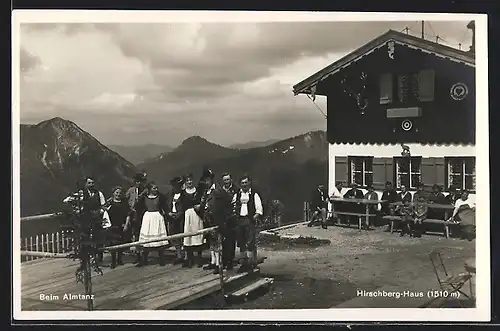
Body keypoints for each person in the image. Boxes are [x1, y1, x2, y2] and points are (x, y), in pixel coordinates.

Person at [232, 174, 264, 273]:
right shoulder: (237, 194)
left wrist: (253, 218)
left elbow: (259, 209)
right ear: (240, 184)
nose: (244, 185)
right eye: (242, 183)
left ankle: (251, 264)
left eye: (246, 182)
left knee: (250, 242)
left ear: (249, 183)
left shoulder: (254, 194)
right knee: (241, 242)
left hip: (249, 220)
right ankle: (243, 264)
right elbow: (233, 206)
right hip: (239, 220)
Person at [134, 181, 169, 267]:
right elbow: (137, 206)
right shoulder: (144, 198)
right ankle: (144, 259)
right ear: (149, 189)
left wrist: (168, 213)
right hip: (148, 218)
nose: (156, 189)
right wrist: (140, 196)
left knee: (158, 237)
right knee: (147, 239)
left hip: (157, 217)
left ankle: (161, 258)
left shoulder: (160, 197)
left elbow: (165, 207)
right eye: (154, 188)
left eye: (157, 188)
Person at [179, 173, 204, 268]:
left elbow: (202, 201)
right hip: (187, 215)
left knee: (198, 234)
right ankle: (190, 258)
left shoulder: (198, 191)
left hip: (196, 215)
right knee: (188, 236)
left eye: (191, 180)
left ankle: (199, 258)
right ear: (185, 182)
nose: (189, 182)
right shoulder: (183, 193)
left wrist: (200, 207)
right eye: (187, 181)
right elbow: (181, 204)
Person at [105, 186, 131, 269]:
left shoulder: (124, 202)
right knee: (113, 244)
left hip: (121, 225)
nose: (118, 194)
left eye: (120, 193)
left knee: (121, 243)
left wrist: (126, 224)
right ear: (113, 193)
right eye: (116, 192)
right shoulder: (109, 202)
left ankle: (119, 259)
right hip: (112, 225)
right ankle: (113, 261)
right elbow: (104, 213)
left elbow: (128, 214)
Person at [125, 172, 148, 264]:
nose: (139, 183)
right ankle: (138, 255)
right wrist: (129, 208)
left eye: (141, 181)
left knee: (145, 234)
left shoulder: (146, 191)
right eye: (137, 181)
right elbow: (125, 200)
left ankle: (145, 255)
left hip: (144, 214)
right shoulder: (131, 191)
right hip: (134, 216)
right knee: (136, 234)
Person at [221, 172, 239, 270]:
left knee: (231, 241)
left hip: (232, 219)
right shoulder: (220, 190)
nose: (226, 182)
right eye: (224, 180)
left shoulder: (236, 190)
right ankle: (224, 261)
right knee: (223, 241)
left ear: (231, 180)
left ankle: (230, 261)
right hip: (223, 219)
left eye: (228, 179)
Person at [166, 177, 185, 265]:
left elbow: (185, 207)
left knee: (182, 236)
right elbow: (166, 205)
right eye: (174, 186)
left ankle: (184, 255)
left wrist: (178, 214)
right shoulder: (170, 195)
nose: (175, 187)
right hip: (172, 217)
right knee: (174, 236)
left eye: (177, 186)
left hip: (181, 218)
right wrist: (169, 213)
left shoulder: (184, 195)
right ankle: (178, 255)